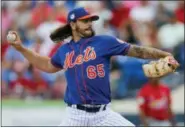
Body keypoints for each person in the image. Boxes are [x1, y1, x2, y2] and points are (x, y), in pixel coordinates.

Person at [7, 7, 179, 126]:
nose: (89, 23)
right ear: (73, 25)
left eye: (90, 20)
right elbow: (46, 65)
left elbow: (138, 51)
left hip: (103, 115)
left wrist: (164, 55)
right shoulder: (65, 50)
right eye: (84, 21)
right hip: (75, 116)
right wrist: (21, 48)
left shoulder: (105, 41)